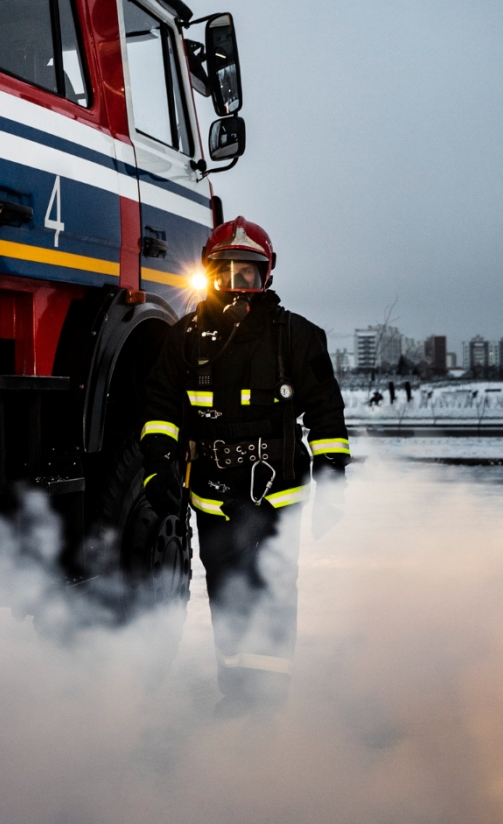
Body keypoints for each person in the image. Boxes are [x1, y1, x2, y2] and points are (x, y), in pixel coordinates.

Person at [139, 216, 350, 718]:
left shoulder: (298, 337)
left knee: (274, 589)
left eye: (248, 275)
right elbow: (160, 407)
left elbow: (326, 411)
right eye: (226, 273)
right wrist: (155, 466)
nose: (237, 285)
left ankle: (268, 701)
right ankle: (236, 691)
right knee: (227, 590)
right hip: (212, 494)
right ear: (208, 275)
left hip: (277, 495)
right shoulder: (185, 338)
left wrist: (334, 476)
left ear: (267, 277)